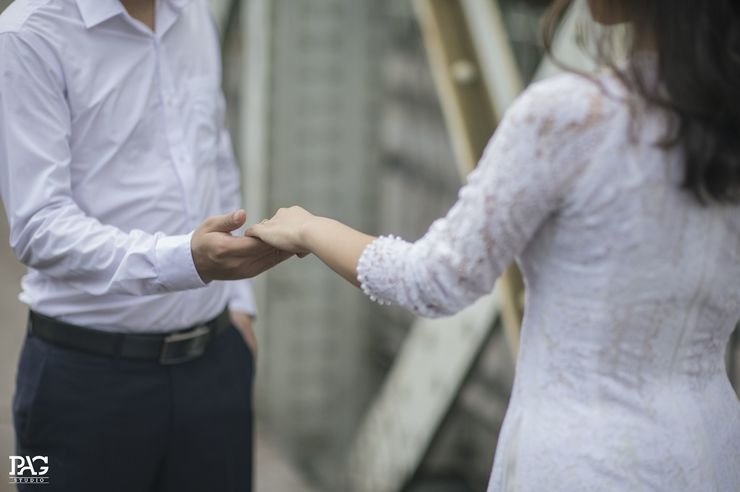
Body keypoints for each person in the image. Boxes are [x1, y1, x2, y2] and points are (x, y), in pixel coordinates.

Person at [246, 0, 740, 490]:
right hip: (713, 452)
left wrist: (309, 228)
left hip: (586, 463)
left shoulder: (570, 117)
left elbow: (433, 281)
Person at [0, 0, 290, 490]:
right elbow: (37, 225)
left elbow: (214, 156)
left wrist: (240, 308)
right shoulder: (25, 34)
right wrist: (185, 259)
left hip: (215, 365)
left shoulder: (194, 13)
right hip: (80, 384)